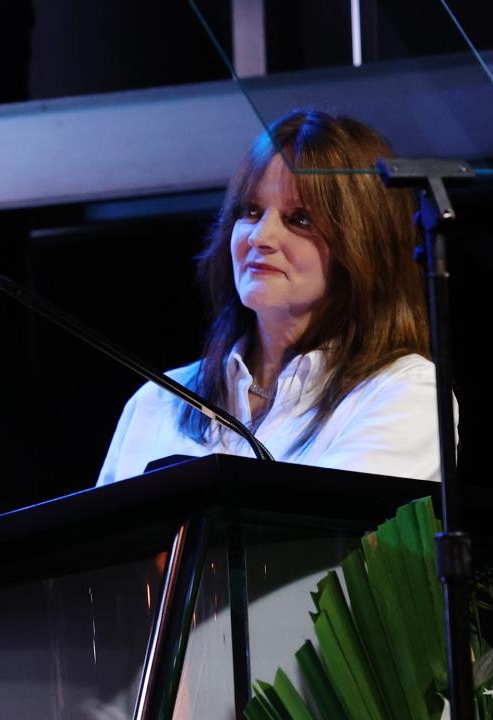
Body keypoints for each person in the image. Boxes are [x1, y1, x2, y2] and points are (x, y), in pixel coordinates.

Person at [99, 110, 447, 486]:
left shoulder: (405, 394)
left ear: (364, 245)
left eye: (299, 219)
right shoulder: (157, 402)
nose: (260, 237)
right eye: (251, 211)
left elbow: (322, 541)